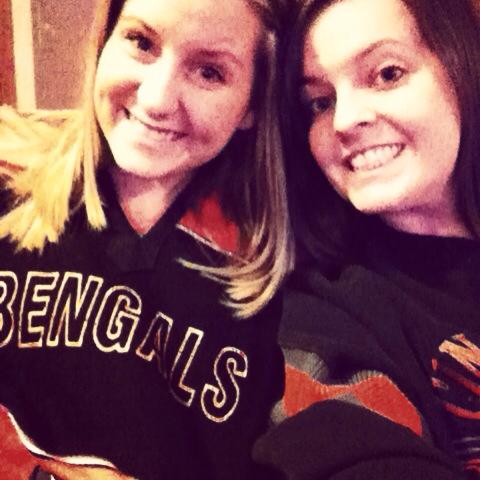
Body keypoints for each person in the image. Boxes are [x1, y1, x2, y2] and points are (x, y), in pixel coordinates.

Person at [0, 0, 293, 478]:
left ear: (253, 106)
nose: (156, 99)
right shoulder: (9, 180)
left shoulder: (283, 270)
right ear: (104, 42)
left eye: (210, 72)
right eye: (141, 42)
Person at [253, 0, 480, 478]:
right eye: (320, 102)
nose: (343, 121)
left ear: (464, 65)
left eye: (386, 74)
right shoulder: (331, 315)